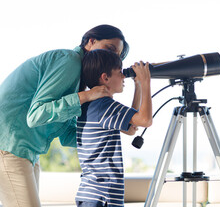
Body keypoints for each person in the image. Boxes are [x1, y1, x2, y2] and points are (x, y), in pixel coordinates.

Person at [0, 24, 130, 207]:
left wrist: (104, 130)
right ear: (91, 42)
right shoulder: (69, 61)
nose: (112, 57)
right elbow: (36, 116)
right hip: (8, 145)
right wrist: (86, 96)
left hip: (27, 149)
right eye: (110, 49)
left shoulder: (79, 78)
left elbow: (66, 133)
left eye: (117, 55)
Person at [75, 49, 152, 207]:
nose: (124, 76)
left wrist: (137, 85)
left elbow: (131, 126)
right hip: (103, 195)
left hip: (92, 194)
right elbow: (145, 120)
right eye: (119, 72)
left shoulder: (93, 105)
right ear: (105, 78)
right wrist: (145, 82)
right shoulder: (105, 106)